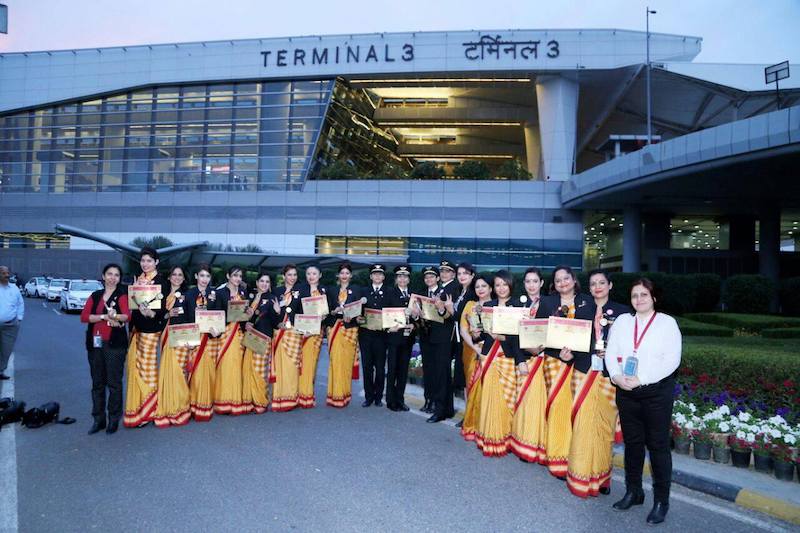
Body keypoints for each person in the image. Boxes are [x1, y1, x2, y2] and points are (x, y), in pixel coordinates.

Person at [606, 278, 681, 525]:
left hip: (656, 393)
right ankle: (634, 491)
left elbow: (672, 360)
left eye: (644, 295)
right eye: (635, 295)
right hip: (626, 391)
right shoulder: (623, 321)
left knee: (658, 447)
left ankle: (661, 501)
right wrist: (616, 376)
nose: (639, 299)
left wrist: (642, 378)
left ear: (654, 298)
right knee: (633, 444)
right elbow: (611, 351)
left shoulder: (667, 323)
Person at [566, 269, 632, 497]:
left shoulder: (623, 313)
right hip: (583, 371)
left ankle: (602, 477)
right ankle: (580, 476)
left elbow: (628, 345)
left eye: (602, 283)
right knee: (582, 426)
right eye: (593, 283)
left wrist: (613, 353)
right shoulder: (581, 310)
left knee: (604, 427)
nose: (597, 287)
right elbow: (573, 341)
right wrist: (567, 353)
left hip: (608, 375)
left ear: (610, 285)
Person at [535, 265, 596, 478]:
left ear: (573, 279)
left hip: (580, 363)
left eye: (566, 278)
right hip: (554, 361)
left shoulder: (588, 301)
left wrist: (574, 354)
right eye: (558, 280)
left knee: (576, 410)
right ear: (554, 284)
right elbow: (539, 330)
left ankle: (575, 457)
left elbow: (592, 333)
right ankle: (556, 457)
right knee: (557, 408)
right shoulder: (547, 302)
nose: (562, 283)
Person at [473, 270, 524, 456]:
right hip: (488, 356)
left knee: (507, 399)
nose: (501, 288)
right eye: (497, 285)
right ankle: (488, 437)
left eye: (504, 284)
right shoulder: (488, 305)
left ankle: (505, 439)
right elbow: (482, 333)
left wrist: (501, 337)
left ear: (510, 285)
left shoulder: (518, 306)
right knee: (489, 397)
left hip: (507, 357)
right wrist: (476, 331)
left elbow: (520, 337)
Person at [80, 263, 129, 435]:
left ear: (119, 278)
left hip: (115, 346)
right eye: (110, 274)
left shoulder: (122, 296)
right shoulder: (95, 296)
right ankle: (98, 419)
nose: (113, 277)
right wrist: (103, 316)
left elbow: (126, 316)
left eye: (116, 275)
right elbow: (84, 317)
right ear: (103, 276)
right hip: (96, 345)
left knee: (114, 383)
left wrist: (116, 316)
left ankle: (113, 418)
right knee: (97, 383)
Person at [124, 247, 169, 427]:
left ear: (156, 262)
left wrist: (151, 313)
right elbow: (132, 304)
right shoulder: (138, 279)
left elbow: (163, 309)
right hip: (136, 329)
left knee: (147, 369)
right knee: (135, 368)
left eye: (149, 260)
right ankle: (138, 406)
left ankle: (149, 410)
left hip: (150, 330)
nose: (145, 264)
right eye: (143, 260)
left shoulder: (161, 282)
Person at [509, 267, 548, 463]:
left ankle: (540, 446)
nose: (531, 285)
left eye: (535, 281)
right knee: (525, 403)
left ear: (541, 283)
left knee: (541, 405)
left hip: (545, 359)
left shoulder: (551, 303)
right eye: (528, 281)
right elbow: (512, 336)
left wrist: (541, 349)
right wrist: (520, 360)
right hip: (525, 360)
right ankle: (524, 444)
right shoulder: (517, 304)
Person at [412, 265, 455, 423]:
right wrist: (416, 316)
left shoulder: (446, 293)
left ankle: (441, 408)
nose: (429, 279)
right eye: (426, 277)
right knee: (429, 371)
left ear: (437, 278)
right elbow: (417, 317)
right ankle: (430, 401)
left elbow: (451, 316)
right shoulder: (421, 295)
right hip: (426, 337)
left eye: (432, 276)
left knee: (441, 373)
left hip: (442, 338)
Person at [153, 266, 192, 427]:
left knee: (179, 372)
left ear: (183, 278)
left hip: (182, 338)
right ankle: (168, 405)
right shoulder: (160, 295)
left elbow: (192, 318)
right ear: (169, 277)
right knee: (167, 371)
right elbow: (155, 316)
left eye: (180, 275)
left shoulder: (188, 295)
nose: (177, 277)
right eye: (174, 274)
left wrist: (191, 340)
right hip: (165, 336)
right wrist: (168, 314)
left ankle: (180, 407)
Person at [211, 265, 250, 415]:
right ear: (228, 276)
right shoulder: (220, 293)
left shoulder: (243, 292)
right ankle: (223, 402)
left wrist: (247, 314)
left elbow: (244, 315)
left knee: (237, 366)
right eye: (235, 275)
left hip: (239, 334)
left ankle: (235, 400)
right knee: (225, 366)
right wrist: (231, 316)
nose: (238, 279)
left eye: (240, 276)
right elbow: (217, 314)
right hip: (226, 333)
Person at [459, 274, 493, 441]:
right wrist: (475, 348)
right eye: (478, 286)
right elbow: (463, 330)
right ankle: (471, 422)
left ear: (491, 288)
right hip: (472, 352)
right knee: (472, 386)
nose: (480, 289)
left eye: (484, 286)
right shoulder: (470, 305)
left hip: (492, 353)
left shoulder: (497, 306)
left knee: (489, 388)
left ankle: (487, 425)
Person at [325, 262, 362, 408]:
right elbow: (326, 310)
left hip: (349, 330)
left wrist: (352, 317)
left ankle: (345, 395)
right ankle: (334, 395)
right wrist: (333, 312)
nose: (344, 275)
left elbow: (360, 310)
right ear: (338, 275)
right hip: (334, 328)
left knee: (346, 363)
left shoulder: (357, 290)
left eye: (347, 273)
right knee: (335, 362)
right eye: (342, 273)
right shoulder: (331, 290)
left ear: (351, 275)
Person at [184, 264, 217, 421]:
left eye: (207, 276)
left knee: (208, 374)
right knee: (195, 373)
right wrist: (187, 338)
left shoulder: (214, 294)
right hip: (195, 339)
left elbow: (219, 315)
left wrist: (218, 331)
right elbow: (185, 318)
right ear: (196, 276)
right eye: (202, 275)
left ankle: (205, 406)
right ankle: (193, 405)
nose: (205, 279)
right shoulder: (189, 294)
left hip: (210, 340)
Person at [242, 271, 278, 414]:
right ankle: (249, 400)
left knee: (260, 370)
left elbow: (275, 323)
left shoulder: (272, 298)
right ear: (257, 283)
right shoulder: (250, 297)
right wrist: (246, 324)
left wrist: (277, 312)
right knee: (248, 368)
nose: (264, 284)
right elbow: (242, 316)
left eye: (267, 282)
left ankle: (260, 401)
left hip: (263, 337)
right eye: (262, 281)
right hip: (249, 337)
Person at [271, 264, 303, 412]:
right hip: (279, 332)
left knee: (292, 366)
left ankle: (291, 398)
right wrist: (277, 315)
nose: (292, 277)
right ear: (284, 276)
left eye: (294, 275)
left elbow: (304, 312)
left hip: (293, 333)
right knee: (280, 366)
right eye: (289, 275)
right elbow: (271, 313)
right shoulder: (276, 291)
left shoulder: (301, 291)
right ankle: (279, 398)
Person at [384, 264, 416, 412]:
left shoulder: (413, 295)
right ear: (396, 279)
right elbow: (384, 314)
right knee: (392, 369)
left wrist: (414, 324)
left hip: (408, 338)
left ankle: (400, 399)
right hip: (394, 337)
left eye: (405, 276)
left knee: (403, 370)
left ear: (409, 279)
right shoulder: (390, 293)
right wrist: (388, 327)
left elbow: (417, 316)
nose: (402, 279)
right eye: (400, 277)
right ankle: (391, 400)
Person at [297, 264, 328, 408]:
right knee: (302, 363)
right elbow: (294, 309)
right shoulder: (300, 289)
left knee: (312, 362)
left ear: (320, 275)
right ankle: (299, 394)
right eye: (308, 273)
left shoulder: (325, 290)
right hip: (302, 331)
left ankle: (307, 394)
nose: (311, 276)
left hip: (316, 332)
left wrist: (325, 316)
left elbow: (329, 310)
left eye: (314, 273)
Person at [358, 263, 389, 407]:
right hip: (365, 335)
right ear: (371, 276)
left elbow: (393, 312)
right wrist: (357, 318)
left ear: (383, 277)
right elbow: (357, 311)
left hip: (382, 336)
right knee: (367, 367)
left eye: (380, 274)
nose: (377, 276)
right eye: (375, 274)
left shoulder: (390, 292)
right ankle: (369, 397)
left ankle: (378, 397)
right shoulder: (363, 291)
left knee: (380, 368)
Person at [451, 262, 476, 405]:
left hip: (469, 340)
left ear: (472, 275)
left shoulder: (473, 294)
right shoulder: (460, 291)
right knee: (464, 376)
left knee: (469, 375)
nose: (462, 276)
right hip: (458, 339)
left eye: (465, 273)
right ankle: (468, 411)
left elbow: (463, 317)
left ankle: (471, 411)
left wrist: (450, 309)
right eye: (459, 273)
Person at [0, 265, 24, 381]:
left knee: (6, 349)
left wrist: (19, 318)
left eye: (7, 273)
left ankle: (1, 370)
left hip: (10, 325)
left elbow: (20, 303)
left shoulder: (14, 288)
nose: (7, 275)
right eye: (3, 273)